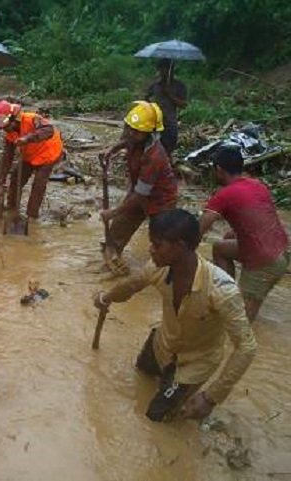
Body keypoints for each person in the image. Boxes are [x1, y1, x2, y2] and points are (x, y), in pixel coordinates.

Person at [93, 209, 257, 422]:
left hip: (194, 363)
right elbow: (131, 286)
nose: (150, 250)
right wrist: (106, 298)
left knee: (157, 418)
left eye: (157, 245)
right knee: (141, 373)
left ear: (180, 247)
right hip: (162, 344)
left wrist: (211, 397)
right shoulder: (157, 267)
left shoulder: (222, 291)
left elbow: (246, 347)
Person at [200, 145, 289, 321]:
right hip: (282, 253)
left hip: (263, 263)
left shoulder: (224, 195)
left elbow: (202, 226)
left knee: (239, 322)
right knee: (220, 247)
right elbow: (261, 219)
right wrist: (234, 234)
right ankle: (228, 292)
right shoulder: (257, 185)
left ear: (218, 169)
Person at [101, 101, 178, 275]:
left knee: (161, 241)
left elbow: (141, 194)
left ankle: (162, 273)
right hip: (139, 192)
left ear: (149, 132)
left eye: (136, 131)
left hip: (160, 200)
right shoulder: (136, 137)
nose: (131, 133)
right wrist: (112, 149)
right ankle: (111, 260)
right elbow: (127, 141)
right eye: (130, 128)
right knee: (117, 231)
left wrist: (113, 212)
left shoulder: (154, 156)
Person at [0, 101, 64, 219]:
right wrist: (0, 183)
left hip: (48, 153)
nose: (6, 130)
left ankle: (32, 215)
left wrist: (27, 138)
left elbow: (49, 130)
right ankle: (12, 208)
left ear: (13, 120)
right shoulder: (9, 133)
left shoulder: (32, 119)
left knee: (38, 185)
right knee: (16, 179)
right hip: (30, 155)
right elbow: (7, 158)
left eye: (6, 127)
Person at [146, 59, 188, 156]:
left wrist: (169, 95)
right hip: (155, 122)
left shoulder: (180, 86)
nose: (163, 72)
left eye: (166, 69)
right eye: (161, 69)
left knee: (169, 146)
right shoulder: (155, 85)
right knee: (153, 148)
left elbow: (183, 105)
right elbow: (145, 98)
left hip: (170, 122)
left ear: (172, 70)